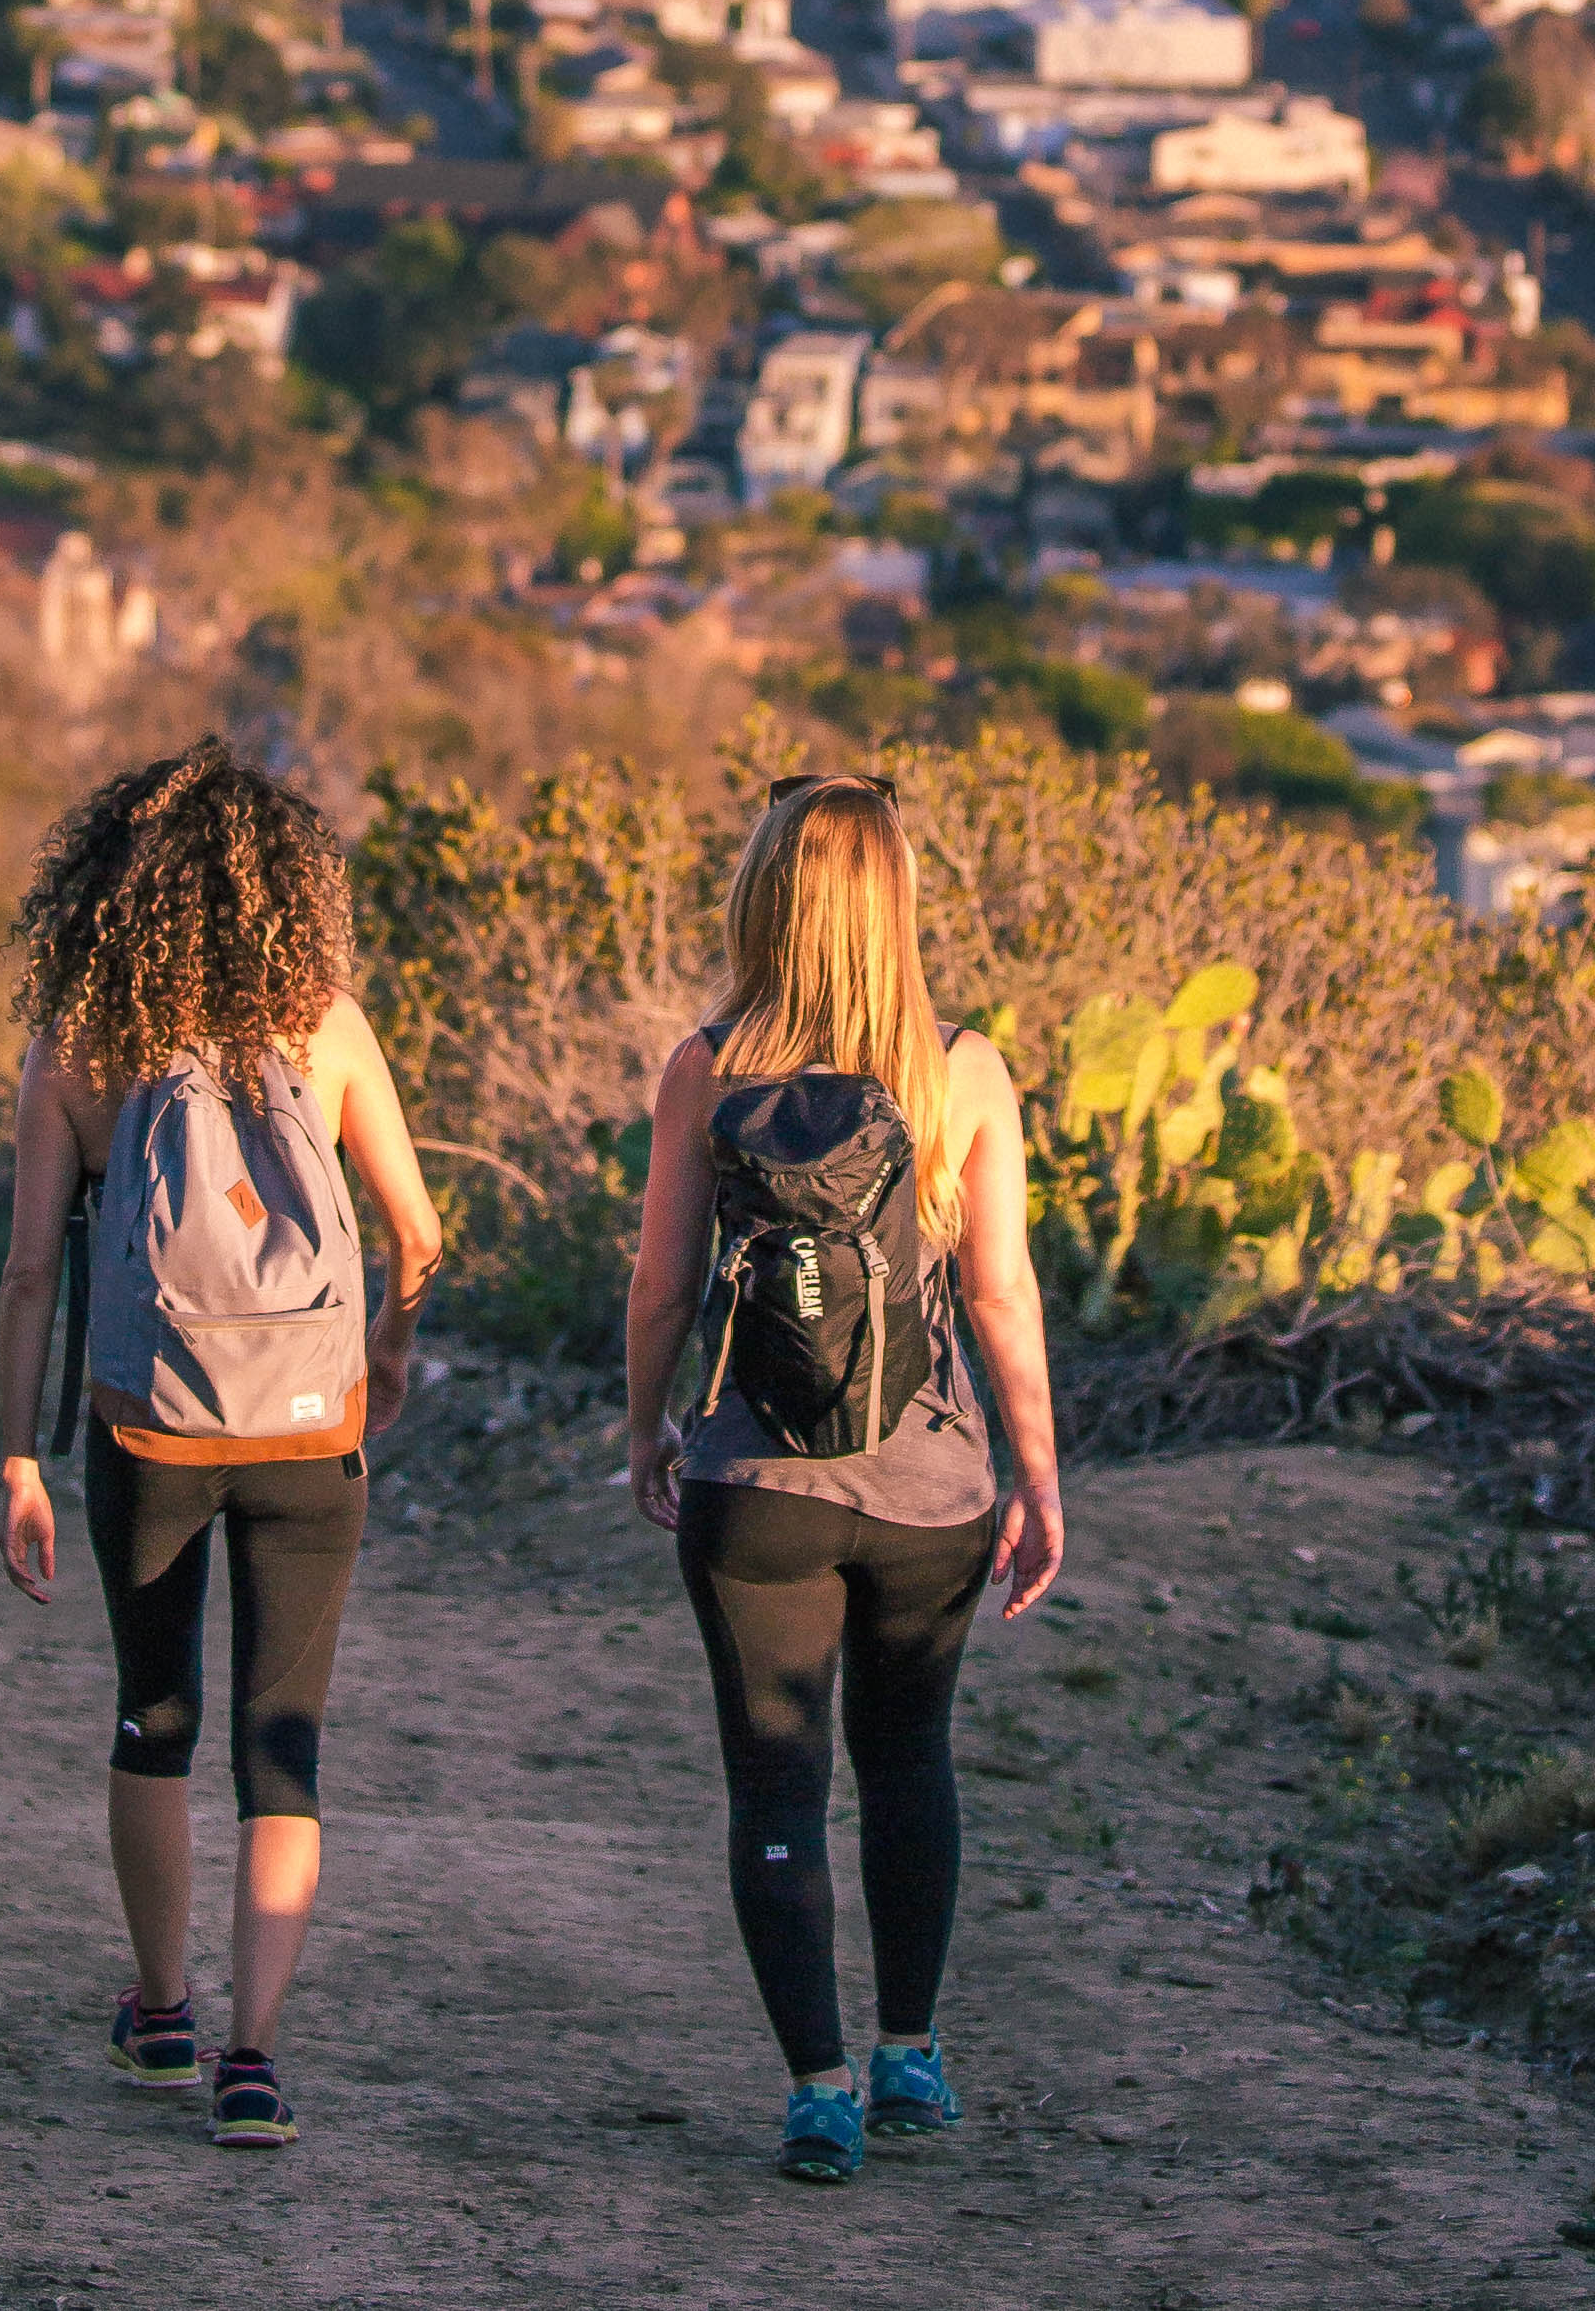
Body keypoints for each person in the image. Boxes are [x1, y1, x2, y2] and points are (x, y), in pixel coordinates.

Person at [0, 741, 443, 2150]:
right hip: (313, 1435)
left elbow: (23, 1276)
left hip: (150, 1431)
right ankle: (253, 2059)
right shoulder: (331, 1025)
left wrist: (18, 1456)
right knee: (281, 1745)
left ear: (111, 888)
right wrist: (383, 1353)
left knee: (154, 1715)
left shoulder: (80, 1040)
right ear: (281, 890)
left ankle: (161, 2009)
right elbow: (419, 1236)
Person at [625, 771, 1065, 2186]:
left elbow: (659, 1281)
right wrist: (1038, 1477)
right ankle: (910, 2057)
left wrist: (646, 1428)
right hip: (931, 1489)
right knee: (906, 1759)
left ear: (764, 898)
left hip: (754, 1483)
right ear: (897, 905)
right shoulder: (963, 1068)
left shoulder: (706, 1066)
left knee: (775, 1783)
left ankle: (815, 2090)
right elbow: (998, 1294)